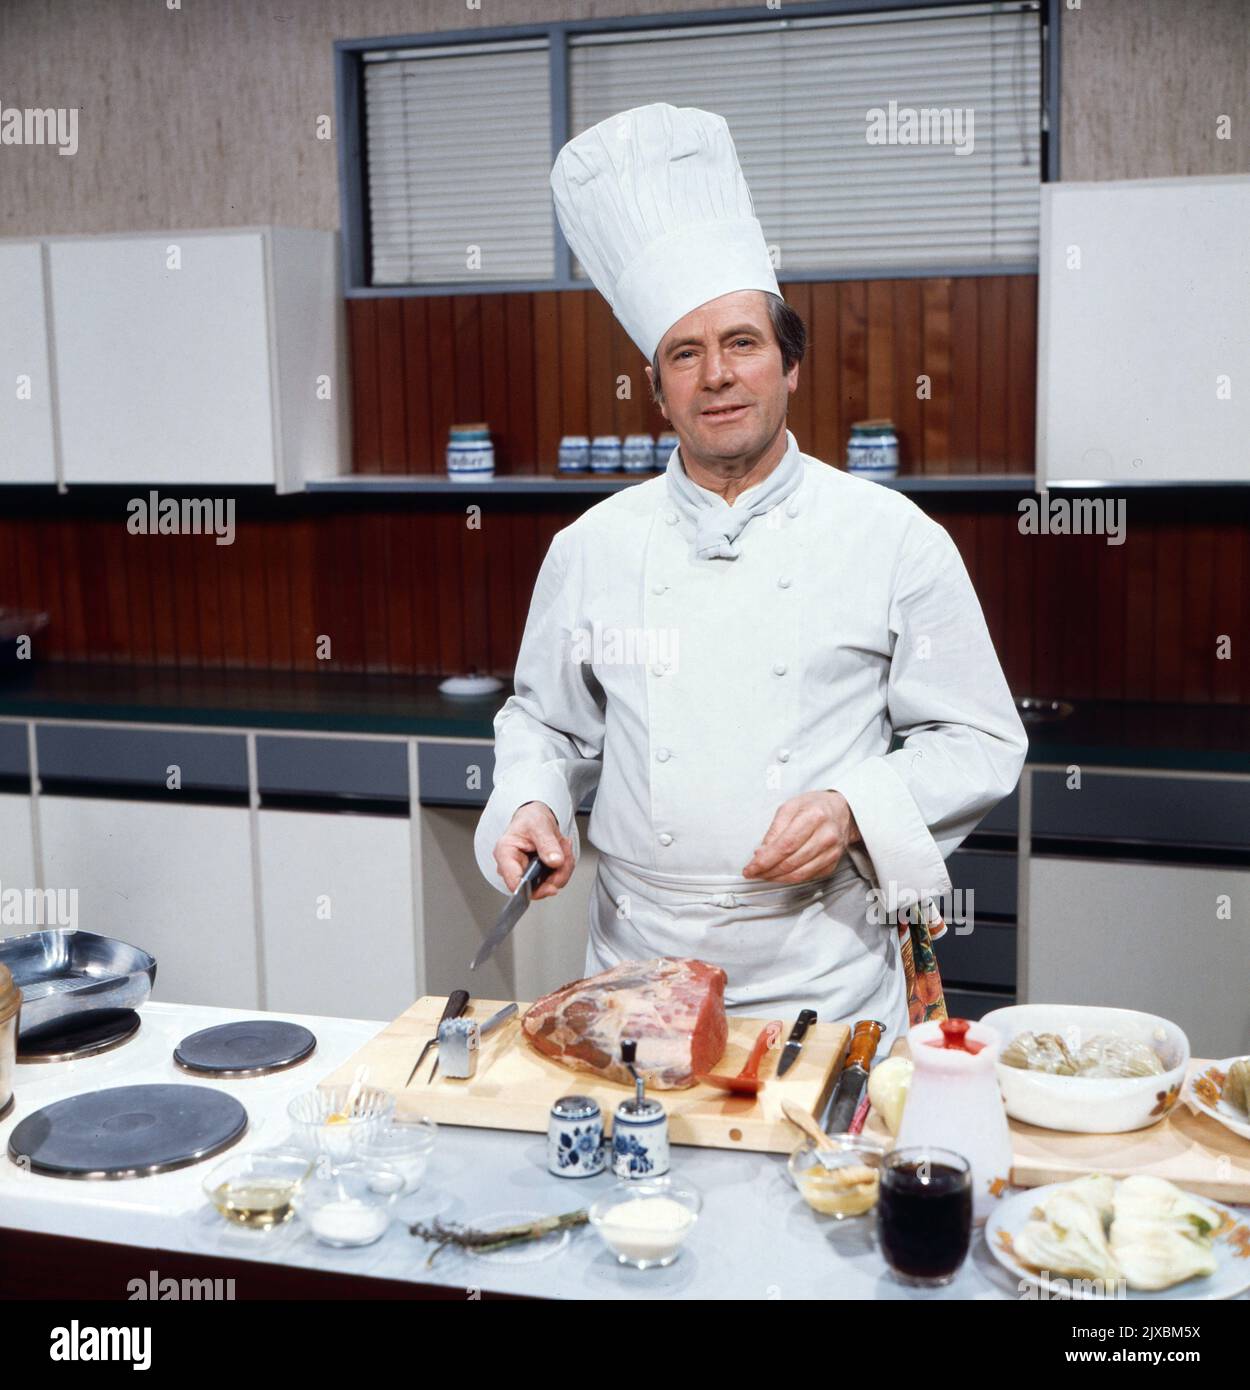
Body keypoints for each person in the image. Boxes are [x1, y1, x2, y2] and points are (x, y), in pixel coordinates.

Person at [473, 104, 1028, 1042]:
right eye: (684, 355)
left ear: (789, 367)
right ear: (657, 391)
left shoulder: (894, 538)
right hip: (636, 977)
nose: (716, 376)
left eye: (741, 344)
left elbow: (979, 740)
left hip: (828, 975)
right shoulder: (592, 548)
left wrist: (859, 806)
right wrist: (527, 797)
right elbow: (544, 719)